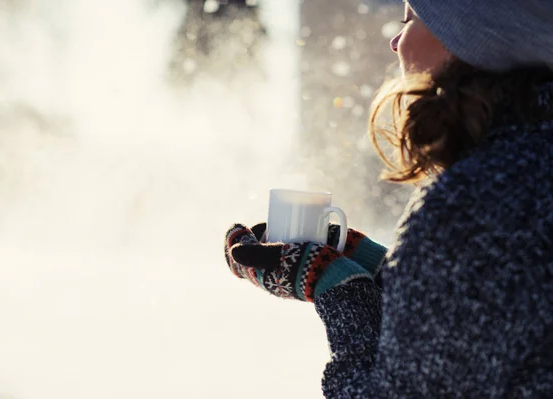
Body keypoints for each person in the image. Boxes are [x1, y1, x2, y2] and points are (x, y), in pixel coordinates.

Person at [223, 1, 553, 398]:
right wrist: (387, 274)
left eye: (412, 19)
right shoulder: (526, 172)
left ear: (468, 37)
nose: (396, 42)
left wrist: (340, 291)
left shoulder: (473, 206)